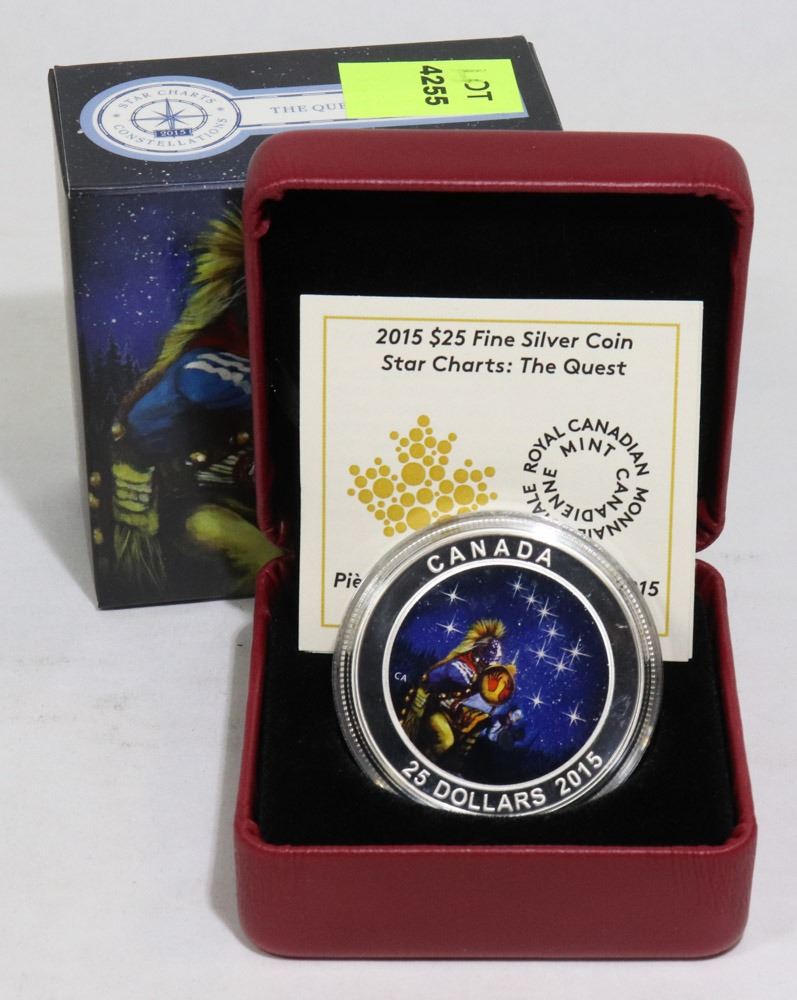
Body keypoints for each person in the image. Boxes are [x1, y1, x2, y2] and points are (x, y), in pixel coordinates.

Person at [402, 619, 510, 762]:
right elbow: (441, 678)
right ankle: (416, 759)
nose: (486, 667)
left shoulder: (480, 677)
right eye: (486, 662)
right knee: (445, 741)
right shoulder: (459, 667)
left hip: (450, 714)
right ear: (478, 653)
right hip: (430, 707)